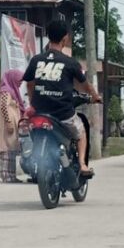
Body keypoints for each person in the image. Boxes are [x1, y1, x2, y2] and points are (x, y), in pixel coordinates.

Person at [23, 20, 102, 176]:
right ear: (65, 39)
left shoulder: (36, 60)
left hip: (40, 113)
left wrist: (33, 103)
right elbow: (85, 85)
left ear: (47, 36)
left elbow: (30, 85)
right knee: (81, 133)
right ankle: (82, 166)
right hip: (63, 114)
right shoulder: (70, 63)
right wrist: (95, 97)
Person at [0, 69, 25, 183]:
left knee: (11, 149)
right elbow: (4, 107)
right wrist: (8, 122)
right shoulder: (5, 91)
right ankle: (6, 176)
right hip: (6, 126)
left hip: (12, 126)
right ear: (12, 79)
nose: (20, 83)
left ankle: (11, 176)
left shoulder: (12, 92)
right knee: (6, 149)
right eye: (19, 80)